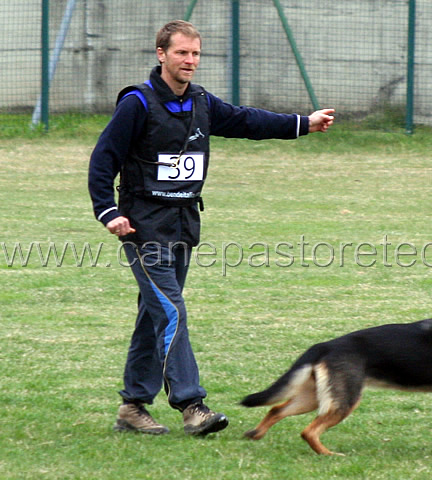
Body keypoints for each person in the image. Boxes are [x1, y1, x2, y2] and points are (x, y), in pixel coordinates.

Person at [88, 20, 334, 436]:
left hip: (183, 224)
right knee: (171, 312)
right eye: (182, 53)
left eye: (196, 53)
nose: (190, 61)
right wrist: (108, 212)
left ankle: (132, 405)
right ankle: (192, 406)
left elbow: (246, 121)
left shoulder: (201, 101)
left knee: (155, 315)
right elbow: (103, 159)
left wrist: (302, 123)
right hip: (142, 227)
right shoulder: (138, 103)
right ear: (161, 54)